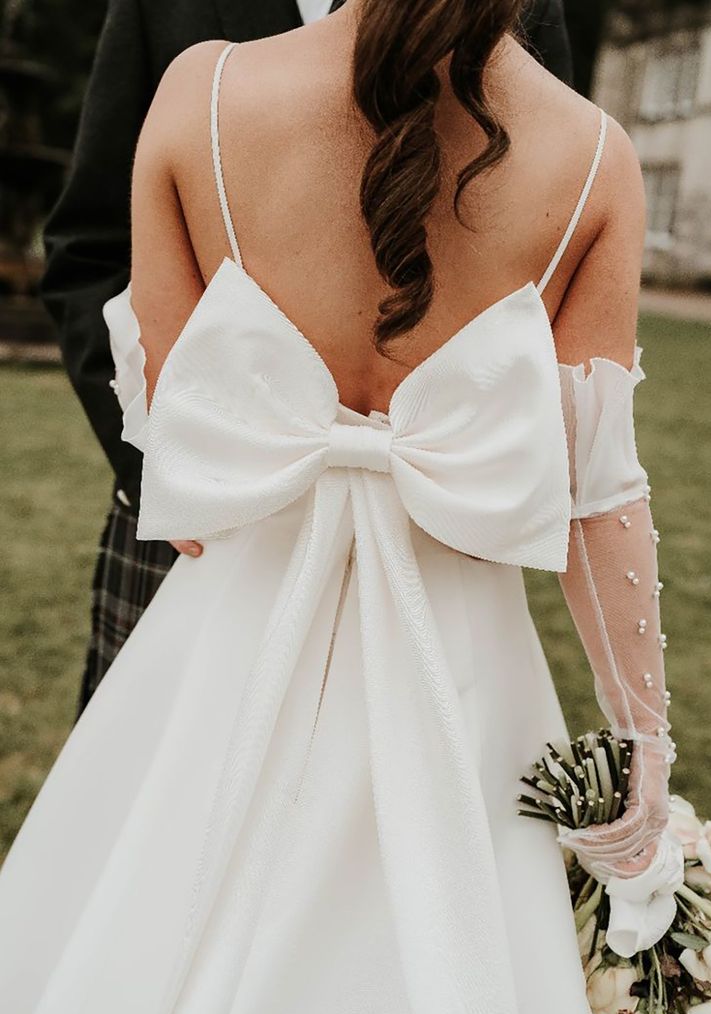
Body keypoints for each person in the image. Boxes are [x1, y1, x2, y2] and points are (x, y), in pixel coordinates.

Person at [1, 1, 675, 1014]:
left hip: (222, 653)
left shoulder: (199, 94)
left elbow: (174, 420)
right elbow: (602, 496)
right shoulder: (593, 156)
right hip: (460, 667)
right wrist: (642, 737)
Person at [41, 0, 573, 715]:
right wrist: (163, 462)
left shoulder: (521, 8)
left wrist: (473, 477)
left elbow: (544, 231)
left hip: (429, 541)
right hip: (195, 522)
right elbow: (91, 251)